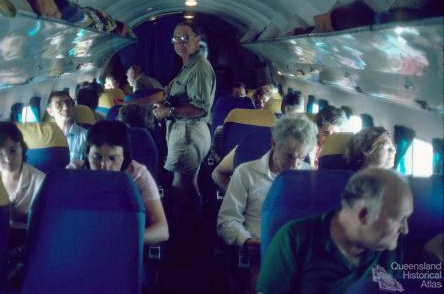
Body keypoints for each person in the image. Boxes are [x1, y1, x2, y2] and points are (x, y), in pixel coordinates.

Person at [257, 168, 413, 294]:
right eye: (399, 219)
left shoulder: (392, 244)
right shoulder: (294, 238)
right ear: (364, 215)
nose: (405, 230)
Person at [217, 114, 318, 294]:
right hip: (260, 250)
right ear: (273, 144)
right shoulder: (246, 172)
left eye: (301, 157)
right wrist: (246, 241)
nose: (294, 164)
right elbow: (227, 221)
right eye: (288, 156)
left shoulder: (309, 176)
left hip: (299, 254)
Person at [71, 120, 169, 245]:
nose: (104, 166)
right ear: (87, 155)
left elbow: (162, 230)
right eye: (97, 157)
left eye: (112, 158)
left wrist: (121, 241)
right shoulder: (75, 173)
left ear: (125, 158)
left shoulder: (138, 175)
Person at [153, 21, 216, 208]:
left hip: (188, 134)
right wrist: (167, 103)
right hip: (187, 132)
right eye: (176, 39)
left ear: (197, 40)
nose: (180, 42)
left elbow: (200, 108)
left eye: (185, 38)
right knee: (190, 186)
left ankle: (183, 230)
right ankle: (194, 228)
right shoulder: (189, 65)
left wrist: (169, 111)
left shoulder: (199, 69)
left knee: (179, 187)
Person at [0, 121, 45, 230]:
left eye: (13, 150)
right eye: (0, 154)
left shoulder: (41, 182)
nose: (8, 159)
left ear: (21, 147)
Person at [46, 91, 87, 162]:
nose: (65, 108)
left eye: (68, 103)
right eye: (59, 104)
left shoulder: (86, 136)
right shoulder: (45, 137)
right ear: (50, 112)